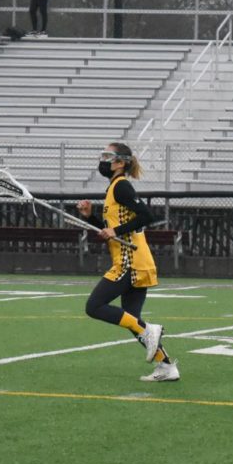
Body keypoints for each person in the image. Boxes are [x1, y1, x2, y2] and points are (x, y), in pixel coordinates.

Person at [77, 142, 179, 382]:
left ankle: (148, 330)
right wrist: (91, 216)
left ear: (120, 162)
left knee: (94, 306)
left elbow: (147, 216)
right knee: (132, 317)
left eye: (107, 156)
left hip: (130, 261)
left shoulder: (121, 186)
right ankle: (166, 367)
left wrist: (116, 230)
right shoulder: (113, 188)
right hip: (134, 260)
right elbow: (112, 230)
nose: (102, 160)